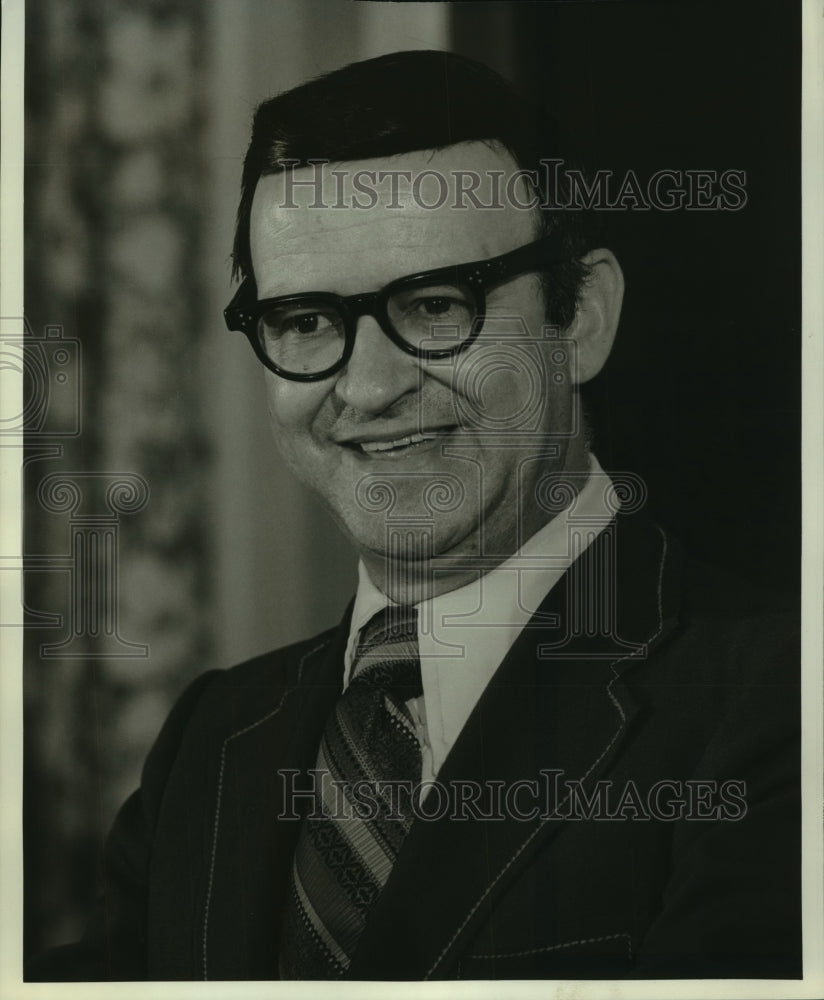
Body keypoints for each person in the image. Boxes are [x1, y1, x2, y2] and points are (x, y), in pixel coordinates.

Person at [27, 50, 800, 982]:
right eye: (307, 322)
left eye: (437, 306)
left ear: (583, 317)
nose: (367, 386)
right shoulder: (214, 742)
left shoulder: (778, 704)